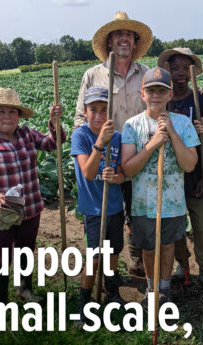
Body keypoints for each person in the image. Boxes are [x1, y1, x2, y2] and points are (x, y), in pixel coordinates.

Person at [0, 87, 65, 303]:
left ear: (18, 115)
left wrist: (54, 124)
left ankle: (24, 290)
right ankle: (0, 301)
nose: (7, 117)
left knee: (25, 252)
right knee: (0, 259)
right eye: (1, 111)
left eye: (12, 112)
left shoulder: (27, 134)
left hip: (30, 208)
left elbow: (54, 143)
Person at [74, 11, 153, 277]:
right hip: (105, 158)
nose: (124, 39)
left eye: (129, 34)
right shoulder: (93, 75)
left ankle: (136, 259)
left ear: (134, 41)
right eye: (118, 34)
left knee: (137, 212)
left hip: (138, 157)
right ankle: (106, 275)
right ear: (109, 41)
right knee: (107, 216)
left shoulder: (146, 75)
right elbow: (78, 118)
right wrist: (93, 147)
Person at [121, 67, 200, 304]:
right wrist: (154, 143)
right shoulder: (131, 126)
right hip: (144, 202)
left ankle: (164, 290)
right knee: (148, 248)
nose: (156, 95)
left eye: (161, 91)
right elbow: (128, 168)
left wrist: (172, 134)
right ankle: (152, 289)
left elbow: (189, 165)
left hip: (173, 203)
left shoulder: (183, 123)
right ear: (142, 94)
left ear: (169, 95)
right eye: (151, 90)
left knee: (167, 247)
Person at [157, 48, 203, 290]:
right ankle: (181, 266)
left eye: (186, 68)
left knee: (202, 227)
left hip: (196, 175)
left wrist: (202, 136)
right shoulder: (163, 100)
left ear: (192, 72)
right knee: (174, 226)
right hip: (171, 175)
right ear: (169, 71)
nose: (181, 73)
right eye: (176, 68)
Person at [71, 86, 126, 322]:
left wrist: (117, 177)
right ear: (85, 111)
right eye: (93, 109)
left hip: (114, 206)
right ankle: (85, 302)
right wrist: (100, 142)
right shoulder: (80, 136)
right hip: (93, 209)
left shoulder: (119, 137)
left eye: (104, 110)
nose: (98, 115)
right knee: (94, 257)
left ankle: (112, 293)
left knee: (113, 252)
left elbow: (123, 173)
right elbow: (88, 172)